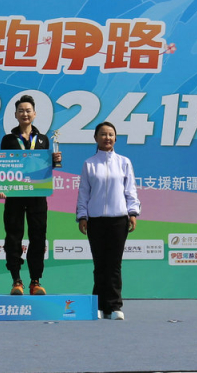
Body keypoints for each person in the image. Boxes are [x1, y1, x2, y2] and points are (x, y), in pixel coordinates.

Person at [0, 95, 61, 296]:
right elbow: (2, 166)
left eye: (28, 110)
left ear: (34, 114)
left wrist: (54, 161)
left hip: (37, 195)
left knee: (38, 237)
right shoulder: (8, 139)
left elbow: (43, 168)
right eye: (21, 111)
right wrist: (1, 187)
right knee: (13, 237)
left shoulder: (43, 140)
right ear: (15, 115)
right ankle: (16, 280)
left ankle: (35, 281)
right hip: (15, 195)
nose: (25, 114)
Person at [76, 121, 140, 320]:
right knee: (99, 264)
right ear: (95, 138)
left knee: (114, 265)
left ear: (115, 138)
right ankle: (98, 305)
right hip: (95, 221)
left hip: (118, 220)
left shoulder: (124, 162)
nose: (107, 138)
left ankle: (114, 307)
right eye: (103, 134)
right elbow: (83, 192)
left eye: (111, 134)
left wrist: (132, 212)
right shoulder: (89, 164)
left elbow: (130, 190)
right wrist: (82, 216)